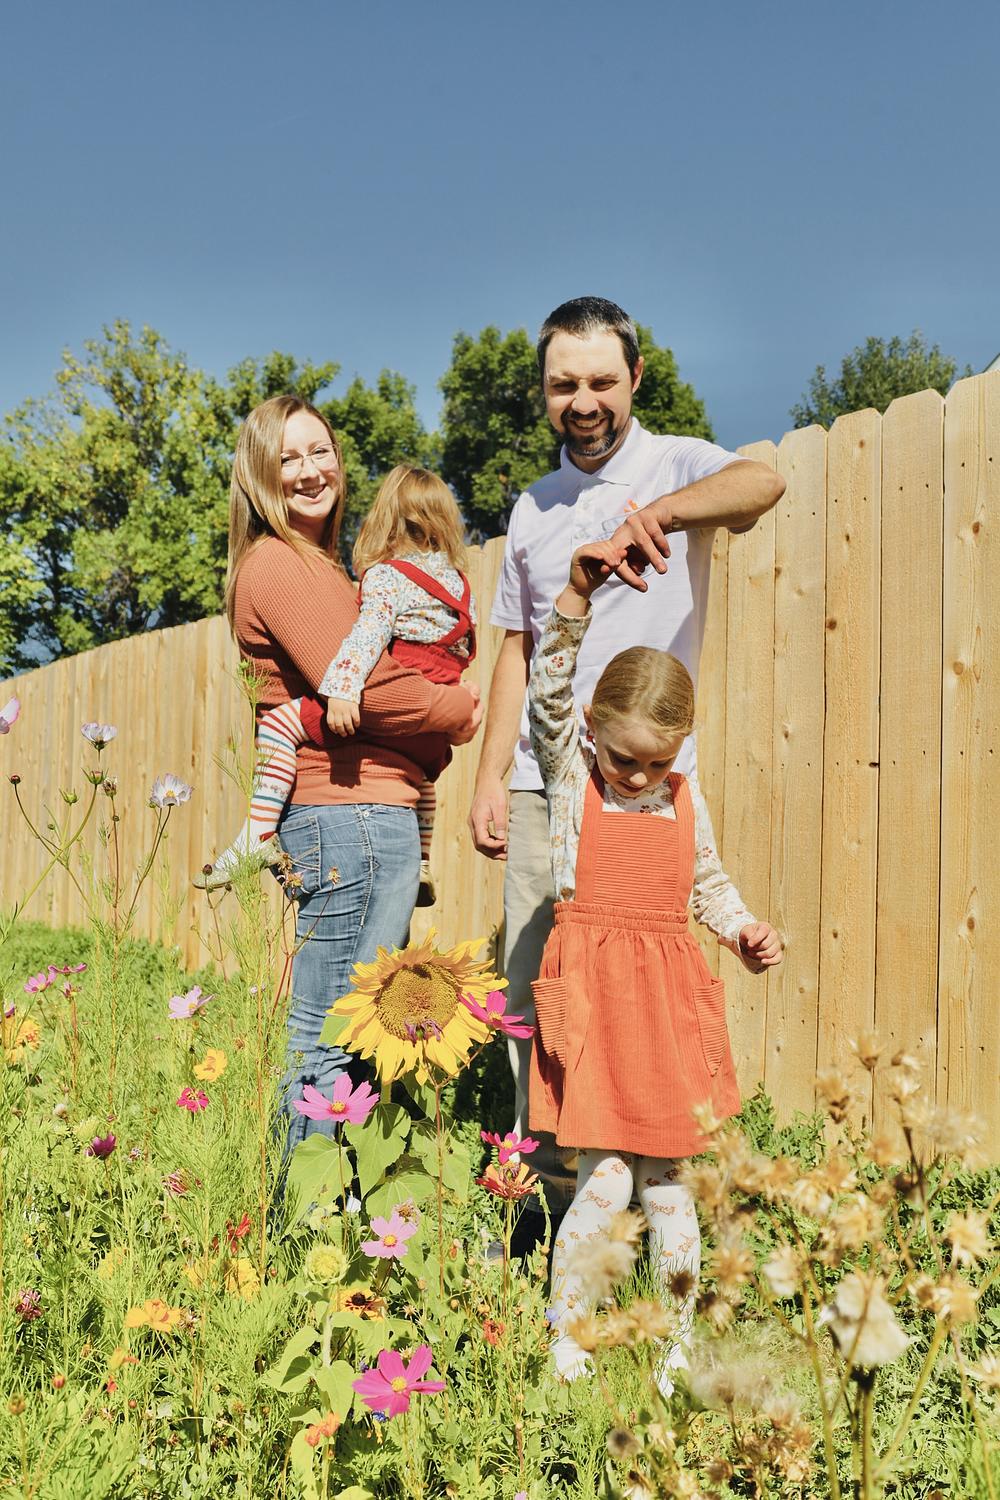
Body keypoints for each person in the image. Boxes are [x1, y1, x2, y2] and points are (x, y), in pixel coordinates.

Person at [468, 295, 785, 1208]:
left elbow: (762, 484)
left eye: (602, 381)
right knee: (536, 997)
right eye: (563, 384)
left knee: (641, 999)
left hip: (644, 794)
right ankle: (540, 1201)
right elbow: (520, 649)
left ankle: (645, 1191)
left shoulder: (676, 462)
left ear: (635, 378)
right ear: (542, 390)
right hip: (549, 786)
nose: (583, 402)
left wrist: (660, 516)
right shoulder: (533, 508)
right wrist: (491, 776)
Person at [528, 539, 783, 1381]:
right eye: (624, 758)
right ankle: (569, 1335)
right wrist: (574, 598)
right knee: (603, 1180)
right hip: (597, 1006)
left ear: (681, 751)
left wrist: (742, 931)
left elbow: (706, 883)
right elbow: (547, 692)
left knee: (670, 1187)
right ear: (591, 732)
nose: (639, 776)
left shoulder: (683, 798)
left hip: (665, 1011)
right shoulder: (573, 781)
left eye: (658, 762)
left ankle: (676, 1346)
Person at [224, 397, 481, 1148]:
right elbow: (369, 689)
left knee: (349, 1024)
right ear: (260, 476)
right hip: (350, 815)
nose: (310, 471)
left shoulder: (327, 569)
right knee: (331, 1027)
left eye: (320, 451)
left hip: (360, 815)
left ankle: (327, 1193)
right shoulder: (281, 564)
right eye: (288, 459)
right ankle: (311, 1204)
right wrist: (456, 708)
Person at [202, 464, 476, 907]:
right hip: (430, 737)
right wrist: (459, 704)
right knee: (425, 782)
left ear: (384, 519)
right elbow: (461, 649)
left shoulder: (388, 575)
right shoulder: (460, 586)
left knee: (277, 726)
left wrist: (345, 688)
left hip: (388, 714)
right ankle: (424, 860)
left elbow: (369, 637)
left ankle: (258, 831)